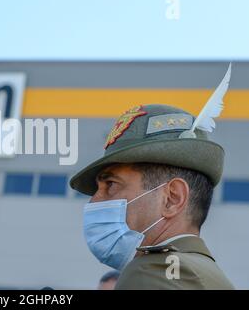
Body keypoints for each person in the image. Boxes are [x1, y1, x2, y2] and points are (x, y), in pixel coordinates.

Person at [70, 98, 235, 289]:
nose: (94, 200)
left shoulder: (148, 273)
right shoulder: (208, 275)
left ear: (172, 199)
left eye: (111, 184)